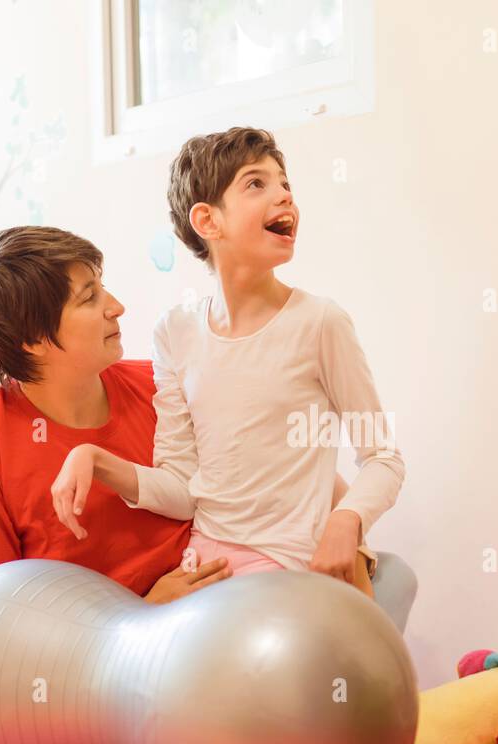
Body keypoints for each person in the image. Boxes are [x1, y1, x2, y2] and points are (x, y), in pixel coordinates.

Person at [0, 226, 417, 744]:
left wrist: (345, 530)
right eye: (91, 297)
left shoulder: (157, 385)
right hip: (74, 665)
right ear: (35, 338)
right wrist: (138, 615)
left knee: (391, 578)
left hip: (214, 622)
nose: (117, 306)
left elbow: (285, 476)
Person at [51, 128, 403, 599]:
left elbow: (382, 458)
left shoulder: (320, 323)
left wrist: (346, 522)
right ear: (207, 221)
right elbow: (181, 489)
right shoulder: (175, 332)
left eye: (285, 183)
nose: (283, 195)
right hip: (207, 569)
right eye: (257, 183)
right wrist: (91, 458)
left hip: (287, 570)